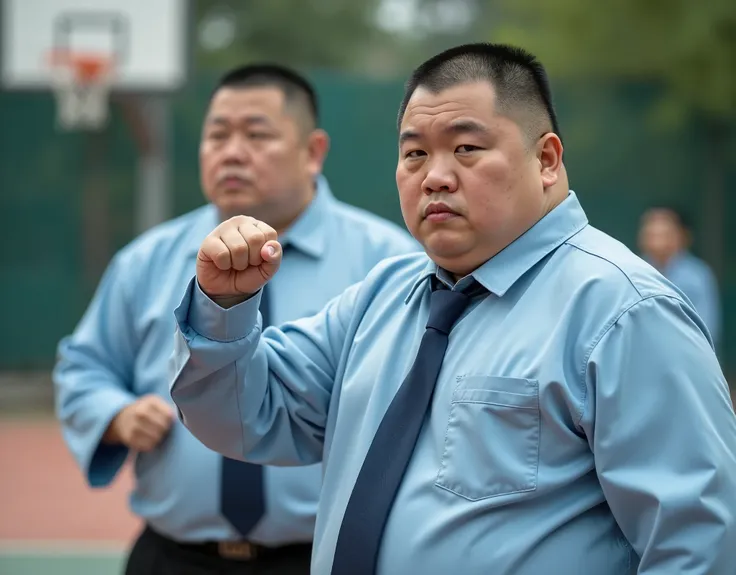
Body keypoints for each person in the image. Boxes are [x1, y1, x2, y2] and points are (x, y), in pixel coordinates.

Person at [169, 44, 736, 575]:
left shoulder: (623, 311)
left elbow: (698, 543)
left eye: (466, 148)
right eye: (414, 152)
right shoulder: (382, 297)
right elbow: (243, 417)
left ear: (546, 159)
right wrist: (225, 306)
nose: (435, 176)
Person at [53, 63, 418, 575]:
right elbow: (83, 366)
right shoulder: (147, 260)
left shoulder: (389, 264)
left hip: (322, 558)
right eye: (217, 134)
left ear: (313, 152)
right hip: (173, 557)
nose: (232, 151)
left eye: (257, 133)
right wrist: (114, 413)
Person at [638, 204, 721, 348]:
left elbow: (707, 330)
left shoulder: (697, 276)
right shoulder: (634, 270)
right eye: (650, 232)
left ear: (681, 236)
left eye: (663, 233)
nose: (656, 238)